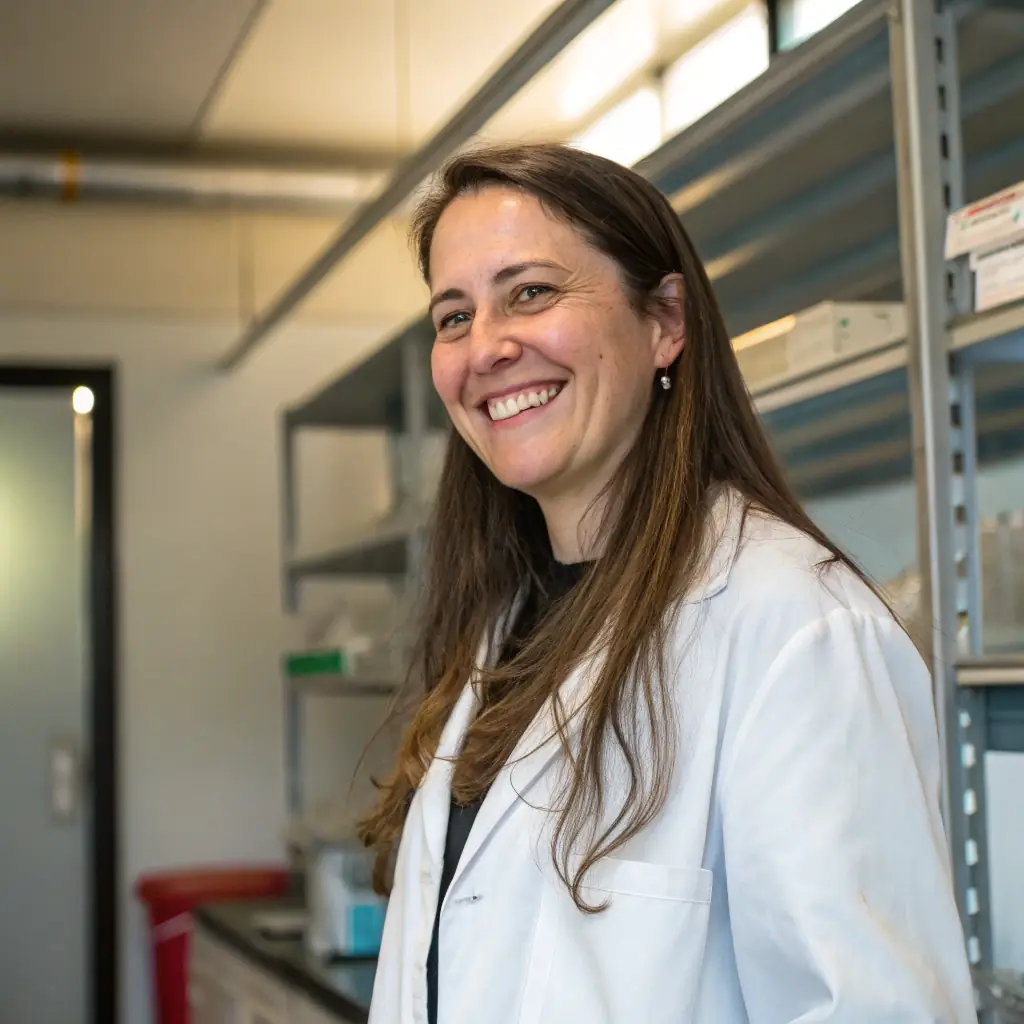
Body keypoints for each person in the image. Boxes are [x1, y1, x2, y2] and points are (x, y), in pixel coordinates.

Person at [358, 142, 976, 1024]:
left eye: (529, 292)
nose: (485, 347)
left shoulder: (793, 627)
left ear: (666, 321)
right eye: (453, 316)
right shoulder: (507, 621)